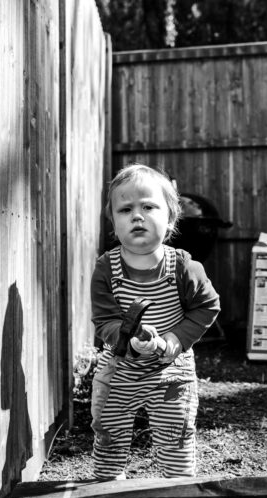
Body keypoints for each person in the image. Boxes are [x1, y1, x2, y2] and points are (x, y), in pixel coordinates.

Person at [89, 163, 220, 480]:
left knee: (175, 435)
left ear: (171, 218)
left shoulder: (183, 266)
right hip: (121, 364)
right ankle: (107, 489)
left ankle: (176, 490)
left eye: (148, 206)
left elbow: (207, 306)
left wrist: (175, 340)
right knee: (108, 428)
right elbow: (104, 319)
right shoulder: (106, 268)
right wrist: (128, 338)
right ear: (113, 221)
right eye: (125, 209)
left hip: (171, 368)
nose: (136, 216)